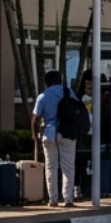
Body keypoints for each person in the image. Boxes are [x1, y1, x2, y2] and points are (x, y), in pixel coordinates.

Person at [32, 69, 79, 207]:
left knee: (51, 166)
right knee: (68, 166)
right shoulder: (69, 92)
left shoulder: (43, 96)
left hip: (49, 133)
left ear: (46, 82)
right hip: (68, 133)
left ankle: (53, 199)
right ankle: (68, 198)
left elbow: (35, 118)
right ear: (60, 80)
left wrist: (34, 135)